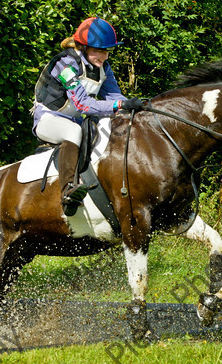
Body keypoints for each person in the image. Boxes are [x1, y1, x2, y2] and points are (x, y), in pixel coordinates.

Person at [32, 17, 143, 216]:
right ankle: (68, 191)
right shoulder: (65, 65)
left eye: (107, 51)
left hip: (75, 120)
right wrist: (120, 105)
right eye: (99, 51)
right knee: (73, 131)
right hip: (48, 119)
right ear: (83, 47)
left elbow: (114, 96)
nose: (105, 56)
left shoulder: (103, 68)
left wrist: (133, 107)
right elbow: (82, 104)